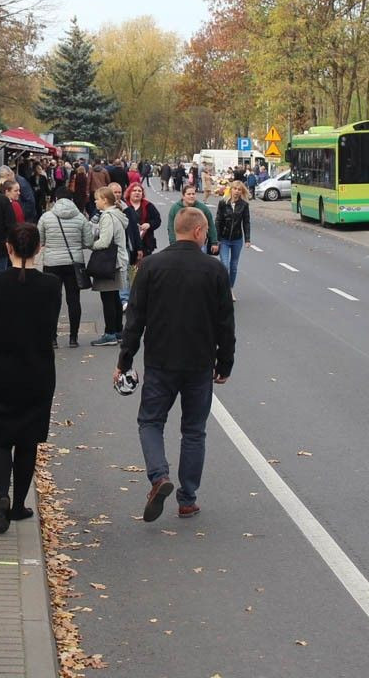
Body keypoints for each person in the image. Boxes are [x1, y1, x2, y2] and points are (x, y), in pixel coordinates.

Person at [114, 207, 235, 522]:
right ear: (198, 231)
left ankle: (159, 476)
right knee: (194, 431)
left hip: (160, 361)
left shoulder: (151, 266)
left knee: (150, 422)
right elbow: (225, 323)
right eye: (205, 231)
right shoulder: (215, 270)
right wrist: (225, 363)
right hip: (200, 362)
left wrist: (125, 360)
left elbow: (135, 319)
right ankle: (187, 499)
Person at [0, 223, 61, 534]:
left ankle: (2, 493)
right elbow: (50, 326)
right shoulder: (52, 285)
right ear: (38, 249)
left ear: (8, 247)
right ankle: (18, 505)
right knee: (28, 439)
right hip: (37, 371)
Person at [38, 186, 93, 348]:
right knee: (74, 300)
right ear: (72, 199)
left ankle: (52, 338)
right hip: (73, 263)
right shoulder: (81, 218)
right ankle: (73, 338)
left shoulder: (46, 217)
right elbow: (88, 242)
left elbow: (40, 240)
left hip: (51, 263)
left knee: (52, 301)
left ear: (55, 199)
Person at [88, 186, 129, 346]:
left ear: (105, 200)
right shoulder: (118, 214)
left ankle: (110, 333)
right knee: (114, 297)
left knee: (107, 298)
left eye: (97, 199)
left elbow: (105, 241)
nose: (95, 202)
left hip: (110, 262)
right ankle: (118, 331)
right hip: (118, 260)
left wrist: (90, 245)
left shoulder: (107, 216)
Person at [214, 180, 252, 300]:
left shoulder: (244, 205)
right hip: (224, 239)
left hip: (237, 239)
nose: (237, 191)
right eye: (235, 189)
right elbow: (218, 220)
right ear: (231, 190)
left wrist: (247, 239)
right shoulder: (223, 203)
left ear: (242, 192)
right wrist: (216, 239)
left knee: (234, 266)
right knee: (224, 265)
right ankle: (223, 289)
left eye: (239, 189)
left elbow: (246, 222)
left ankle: (230, 289)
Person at [167, 185, 219, 255]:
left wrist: (214, 242)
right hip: (181, 244)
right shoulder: (175, 208)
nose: (191, 196)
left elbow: (211, 225)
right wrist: (173, 243)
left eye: (193, 194)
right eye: (189, 194)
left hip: (199, 244)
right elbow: (171, 227)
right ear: (183, 196)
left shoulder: (203, 208)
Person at [123, 183, 162, 268]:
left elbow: (157, 220)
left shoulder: (148, 206)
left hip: (145, 242)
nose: (137, 193)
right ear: (129, 193)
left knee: (144, 267)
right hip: (128, 242)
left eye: (139, 191)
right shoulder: (124, 206)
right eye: (134, 191)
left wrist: (149, 224)